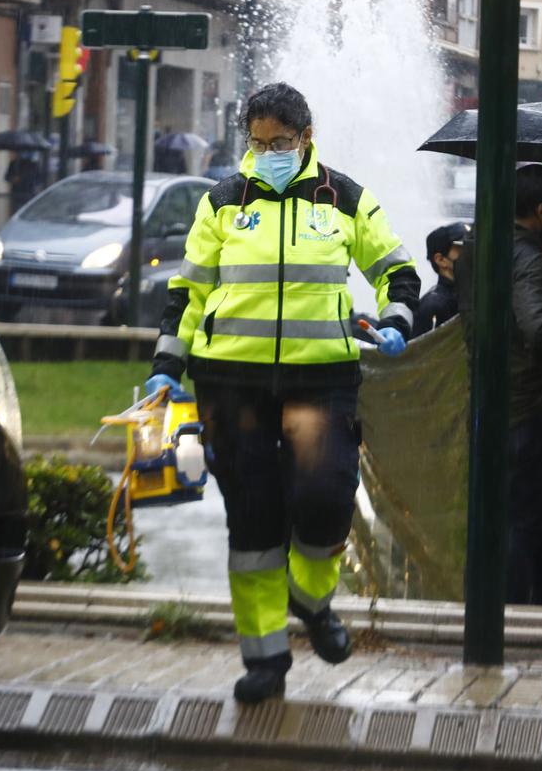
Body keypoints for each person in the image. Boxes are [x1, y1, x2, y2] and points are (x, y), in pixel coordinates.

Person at [143, 82, 419, 705]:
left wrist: (397, 319)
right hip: (229, 381)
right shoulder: (222, 201)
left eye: (280, 141)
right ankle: (264, 659)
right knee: (255, 520)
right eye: (258, 141)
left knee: (325, 501)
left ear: (306, 138)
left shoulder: (342, 198)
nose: (267, 151)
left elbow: (398, 272)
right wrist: (167, 365)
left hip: (321, 378)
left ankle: (311, 600)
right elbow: (187, 291)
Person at [458, 165, 542, 605]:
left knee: (487, 519)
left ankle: (482, 610)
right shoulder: (527, 257)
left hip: (485, 403)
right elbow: (540, 328)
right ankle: (506, 619)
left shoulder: (477, 247)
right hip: (526, 408)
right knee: (520, 523)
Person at [414, 221, 469, 335]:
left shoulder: (474, 296)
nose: (472, 253)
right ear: (441, 260)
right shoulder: (434, 306)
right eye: (464, 248)